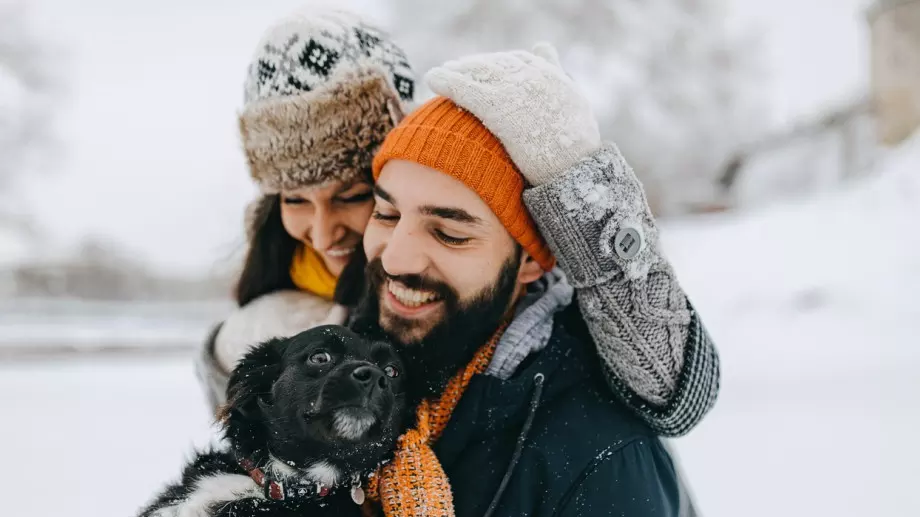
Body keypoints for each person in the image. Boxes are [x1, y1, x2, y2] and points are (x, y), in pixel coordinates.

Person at [198, 7, 717, 442]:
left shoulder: (494, 282)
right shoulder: (274, 305)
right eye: (293, 199)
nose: (321, 231)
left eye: (355, 197)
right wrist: (240, 359)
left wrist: (578, 179)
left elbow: (677, 397)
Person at [349, 46, 711, 516]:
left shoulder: (598, 463)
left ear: (530, 262)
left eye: (450, 233)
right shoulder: (344, 363)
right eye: (385, 213)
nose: (396, 257)